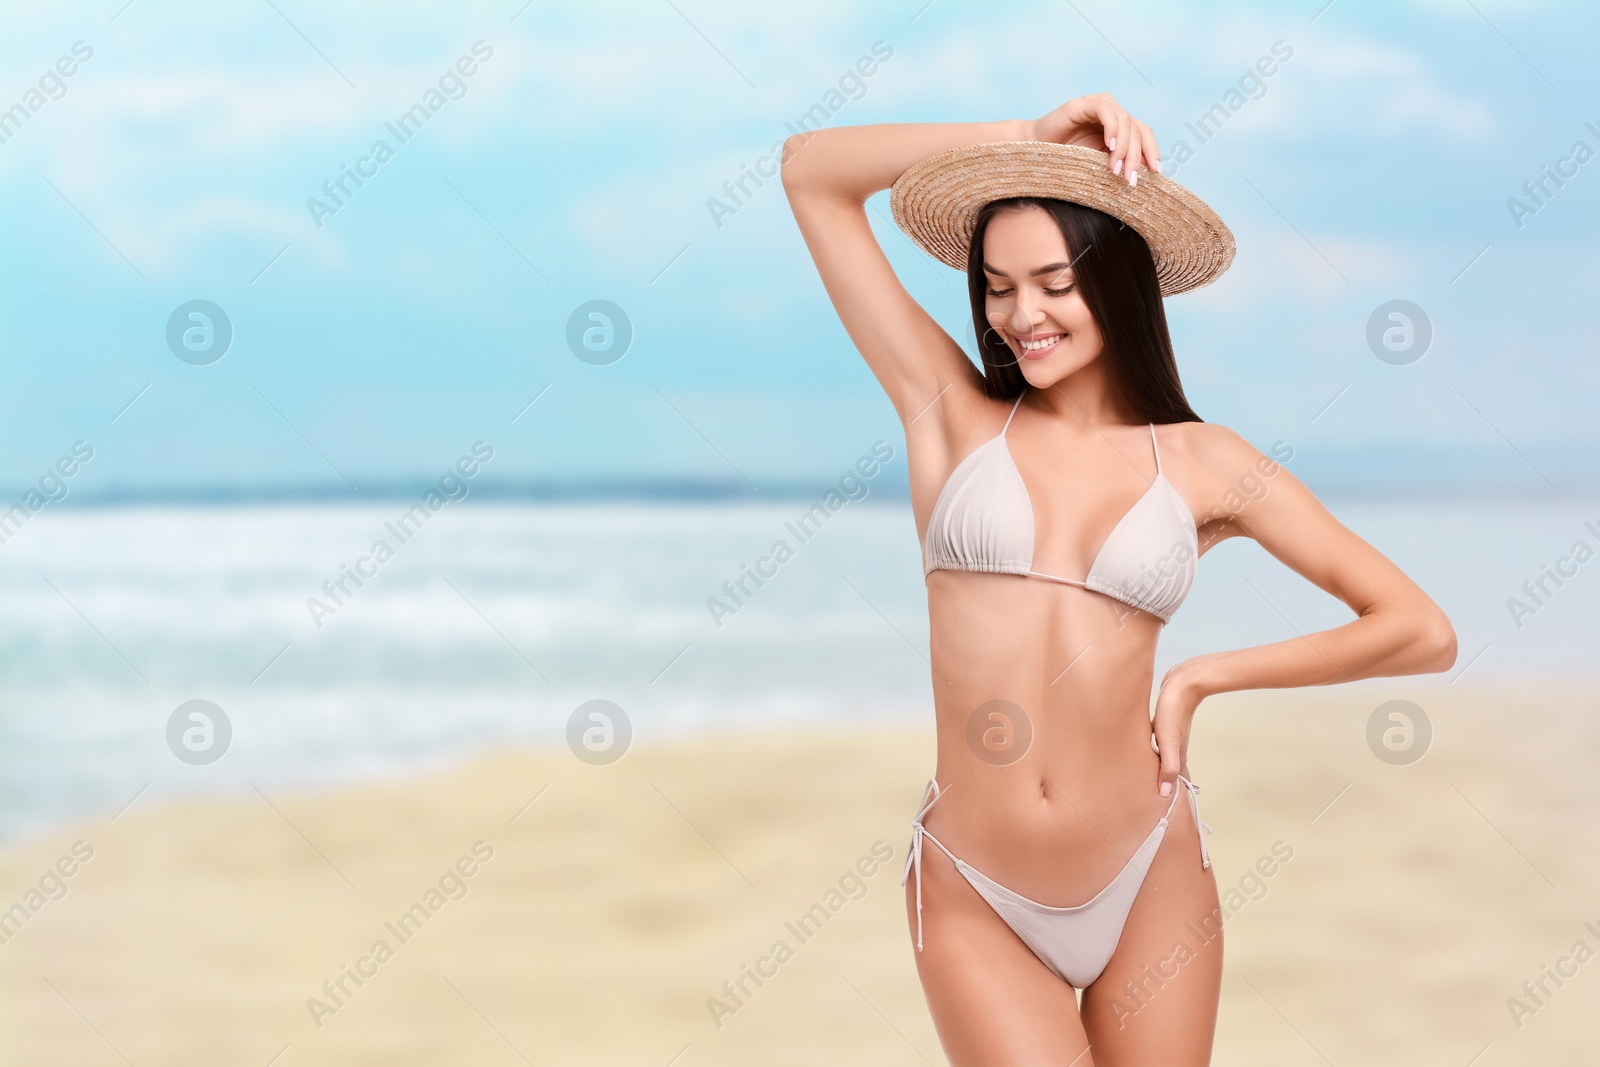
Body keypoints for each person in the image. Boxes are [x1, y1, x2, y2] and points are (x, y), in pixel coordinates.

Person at [779, 92, 1457, 1066]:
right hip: (977, 880)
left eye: (1053, 281)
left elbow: (1417, 627)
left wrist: (1200, 678)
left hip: (1150, 871)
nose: (1021, 315)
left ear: (1117, 284)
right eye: (998, 288)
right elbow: (811, 169)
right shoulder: (950, 417)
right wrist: (1022, 142)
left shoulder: (1205, 461)